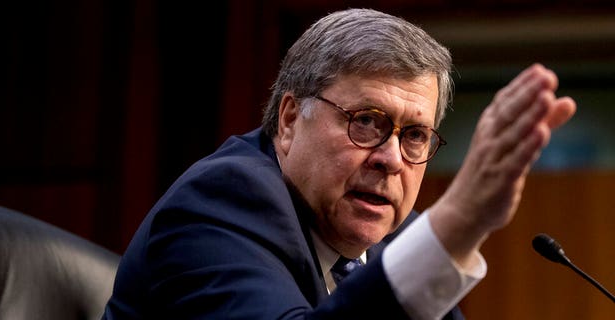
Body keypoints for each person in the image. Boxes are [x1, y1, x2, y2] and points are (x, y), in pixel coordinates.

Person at [102, 8, 576, 320]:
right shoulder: (220, 203)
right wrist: (460, 220)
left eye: (414, 135)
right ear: (289, 121)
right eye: (367, 122)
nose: (391, 159)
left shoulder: (399, 237)